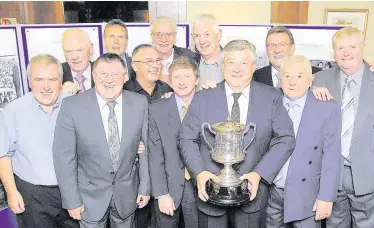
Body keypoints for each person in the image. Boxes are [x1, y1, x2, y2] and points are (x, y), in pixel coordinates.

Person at [179, 40, 296, 228]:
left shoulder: (271, 97)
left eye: (243, 63)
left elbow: (286, 138)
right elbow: (186, 138)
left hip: (253, 195)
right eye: (231, 62)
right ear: (223, 65)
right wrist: (199, 173)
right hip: (210, 192)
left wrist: (259, 174)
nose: (237, 69)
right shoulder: (202, 98)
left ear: (254, 65)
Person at [313, 27, 374, 227]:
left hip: (373, 174)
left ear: (362, 48)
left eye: (352, 46)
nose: (346, 52)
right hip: (332, 175)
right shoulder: (320, 79)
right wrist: (312, 89)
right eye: (340, 47)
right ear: (333, 52)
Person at [53, 53, 150, 228]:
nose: (109, 80)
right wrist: (71, 200)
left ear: (125, 76)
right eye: (103, 74)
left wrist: (145, 186)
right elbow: (64, 158)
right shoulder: (72, 106)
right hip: (88, 197)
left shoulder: (140, 103)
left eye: (115, 74)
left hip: (127, 194)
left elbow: (144, 148)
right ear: (93, 76)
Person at [0, 54, 79, 228]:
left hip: (73, 191)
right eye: (39, 79)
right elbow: (3, 156)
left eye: (52, 79)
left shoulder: (75, 105)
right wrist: (11, 192)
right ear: (29, 82)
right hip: (32, 196)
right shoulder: (12, 112)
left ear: (61, 81)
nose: (46, 87)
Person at [265, 55, 341, 228]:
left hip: (307, 195)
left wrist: (326, 197)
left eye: (299, 76)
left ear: (310, 79)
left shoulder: (327, 108)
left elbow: (332, 156)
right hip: (272, 193)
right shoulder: (269, 102)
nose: (292, 82)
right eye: (287, 76)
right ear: (280, 79)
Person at [149, 57, 200, 228]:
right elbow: (154, 156)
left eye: (187, 76)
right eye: (176, 77)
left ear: (197, 79)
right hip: (168, 188)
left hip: (200, 189)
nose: (182, 82)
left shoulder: (208, 104)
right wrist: (161, 194)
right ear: (170, 81)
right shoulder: (156, 109)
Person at [253, 26, 322, 89]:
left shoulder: (315, 74)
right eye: (271, 45)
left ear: (292, 48)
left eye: (282, 45)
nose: (277, 50)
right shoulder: (255, 77)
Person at [150, 16, 197, 85]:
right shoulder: (143, 60)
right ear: (152, 37)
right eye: (158, 34)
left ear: (175, 37)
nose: (163, 40)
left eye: (168, 34)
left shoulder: (191, 57)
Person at [191, 14, 224, 90]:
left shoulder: (233, 63)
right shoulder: (189, 64)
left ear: (218, 35)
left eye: (207, 34)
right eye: (197, 36)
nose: (202, 41)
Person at [61, 28, 94, 94]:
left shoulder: (105, 72)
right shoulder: (55, 75)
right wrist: (60, 96)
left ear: (91, 49)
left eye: (79, 50)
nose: (74, 57)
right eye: (68, 51)